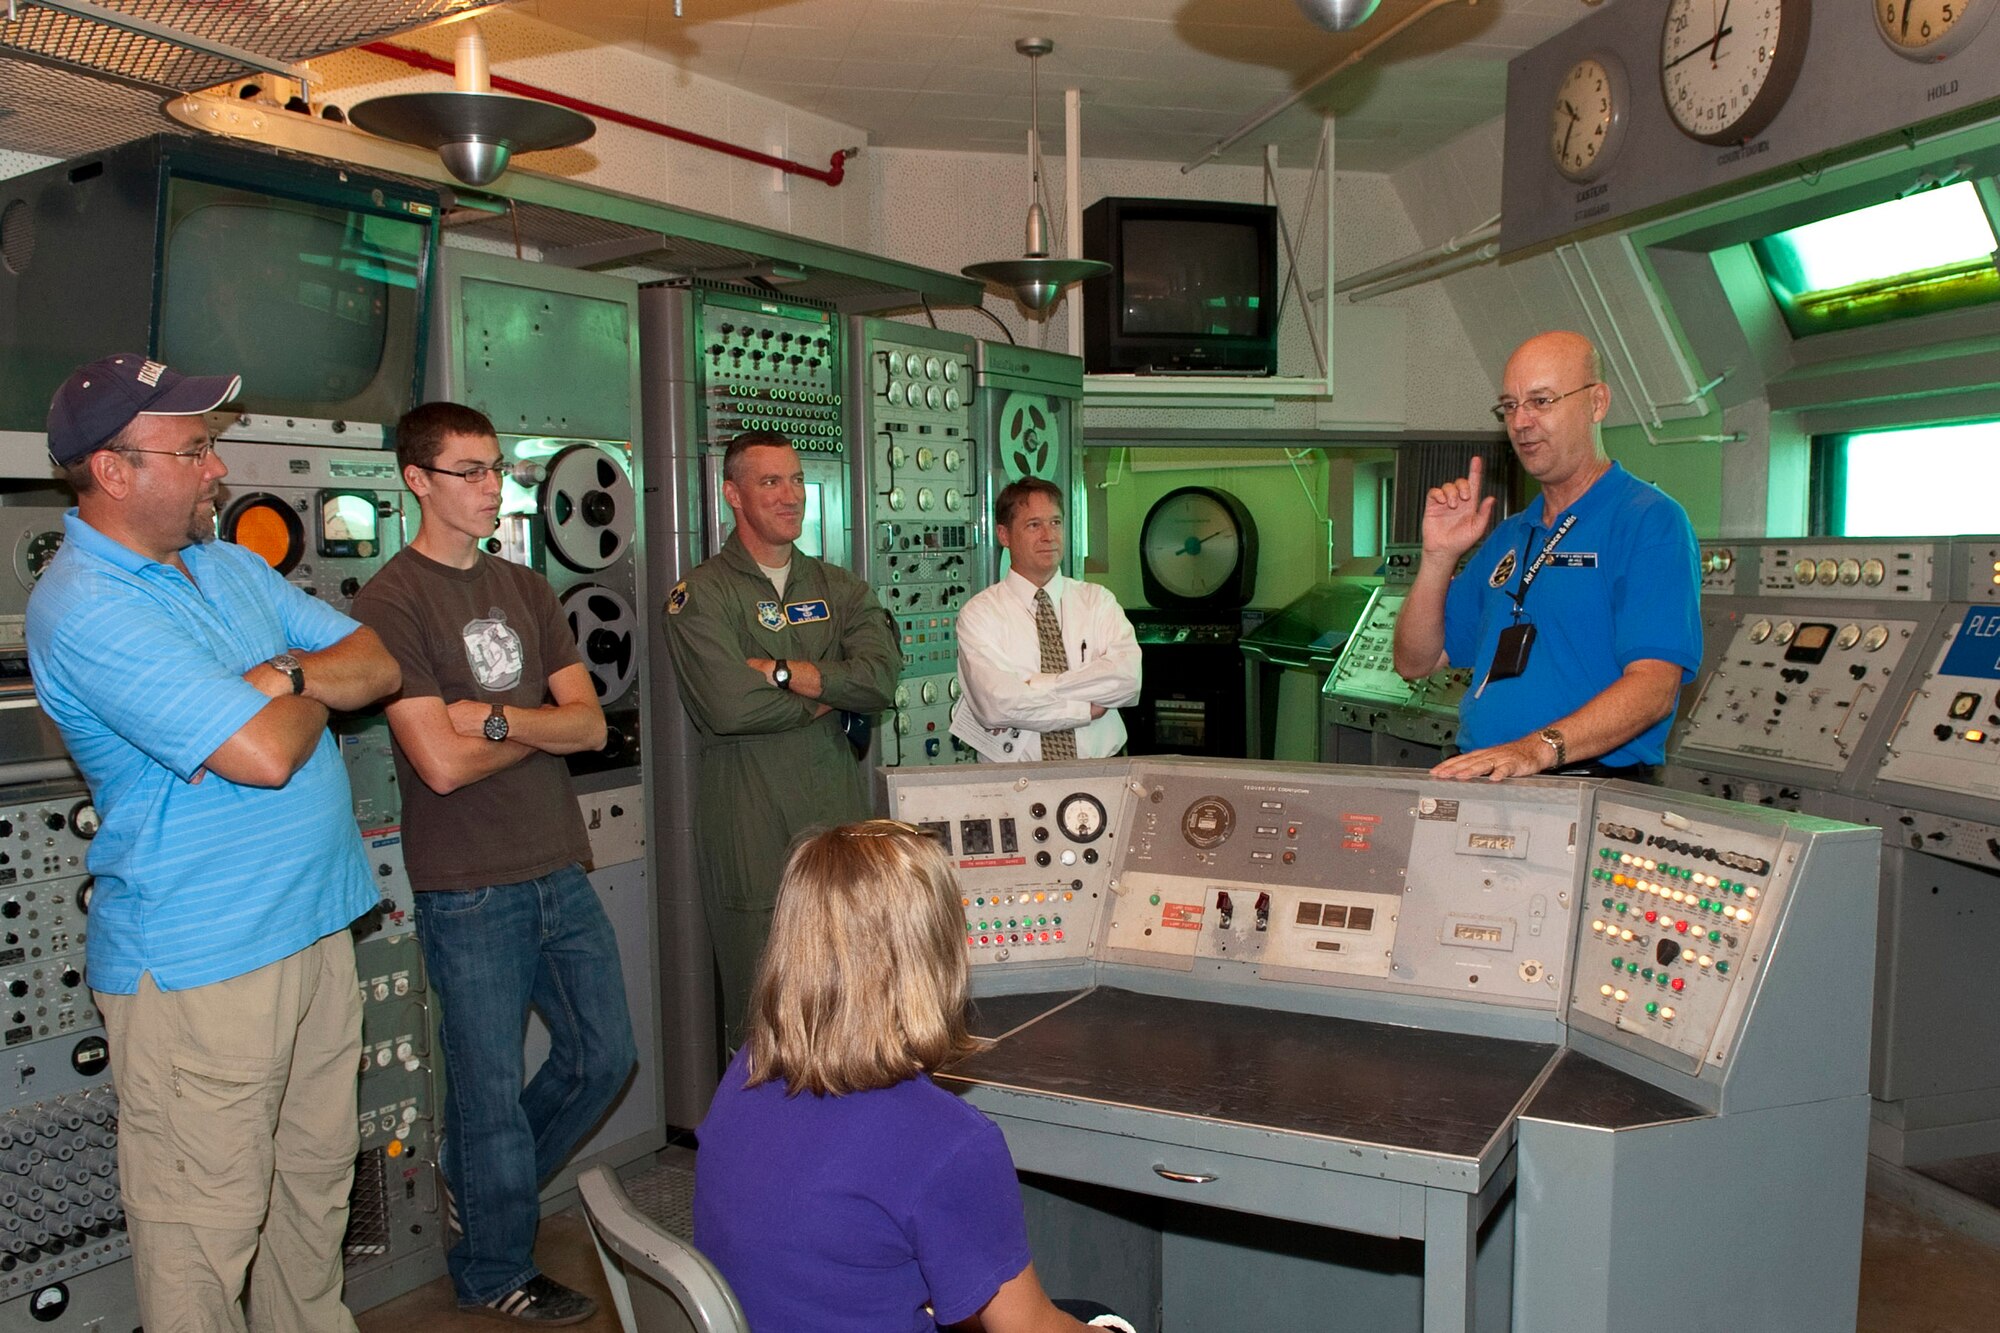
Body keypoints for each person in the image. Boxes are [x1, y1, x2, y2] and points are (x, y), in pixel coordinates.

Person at [25, 353, 401, 1331]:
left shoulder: (227, 567)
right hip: (203, 964)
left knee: (312, 1204)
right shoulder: (87, 606)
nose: (217, 471)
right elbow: (262, 755)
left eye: (209, 449)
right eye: (193, 451)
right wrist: (295, 680)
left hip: (314, 928)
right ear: (112, 469)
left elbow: (374, 660)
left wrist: (280, 677)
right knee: (204, 1232)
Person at [350, 402, 635, 1325]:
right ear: (417, 481)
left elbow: (591, 724)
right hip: (467, 887)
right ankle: (492, 1267)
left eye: (495, 467)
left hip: (555, 860)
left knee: (604, 1056)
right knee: (484, 1091)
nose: (491, 486)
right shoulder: (392, 602)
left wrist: (495, 719)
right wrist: (527, 731)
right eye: (469, 471)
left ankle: (478, 1180)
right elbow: (437, 761)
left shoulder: (523, 586)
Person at [693, 821, 1134, 1333]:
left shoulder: (746, 1071)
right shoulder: (951, 1143)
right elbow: (1028, 1328)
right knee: (1101, 1319)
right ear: (938, 954)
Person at [662, 430, 899, 1042]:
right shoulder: (701, 596)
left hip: (840, 828)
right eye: (770, 482)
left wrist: (790, 675)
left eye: (795, 480)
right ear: (732, 494)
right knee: (763, 1021)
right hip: (752, 830)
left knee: (852, 1012)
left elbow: (879, 681)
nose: (790, 495)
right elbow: (728, 706)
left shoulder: (840, 587)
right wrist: (828, 694)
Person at [1392, 330, 1701, 782]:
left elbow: (1654, 687)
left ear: (1596, 403)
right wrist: (1438, 558)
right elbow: (1415, 661)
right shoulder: (1511, 535)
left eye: (1541, 401)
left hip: (1587, 783)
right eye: (1510, 406)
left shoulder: (1648, 521)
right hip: (1491, 775)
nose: (1520, 422)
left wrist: (1535, 751)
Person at [951, 478, 1141, 762]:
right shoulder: (979, 614)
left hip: (1103, 771)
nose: (1048, 536)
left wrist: (1033, 685)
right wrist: (1085, 708)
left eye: (1055, 522)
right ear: (1004, 535)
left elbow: (1127, 681)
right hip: (1015, 782)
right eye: (1033, 525)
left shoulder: (1098, 601)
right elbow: (996, 706)